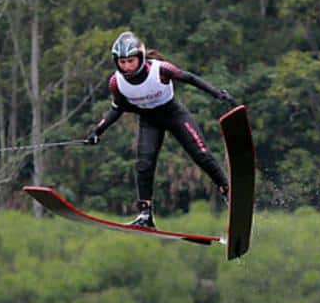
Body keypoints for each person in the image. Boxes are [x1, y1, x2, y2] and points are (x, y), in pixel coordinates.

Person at [85, 31, 238, 229]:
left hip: (174, 115)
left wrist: (218, 94)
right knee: (144, 165)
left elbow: (190, 78)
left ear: (140, 57)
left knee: (201, 155)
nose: (126, 67)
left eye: (130, 61)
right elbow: (117, 109)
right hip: (149, 121)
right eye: (122, 62)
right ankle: (145, 214)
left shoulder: (161, 70)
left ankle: (227, 190)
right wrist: (97, 132)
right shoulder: (116, 82)